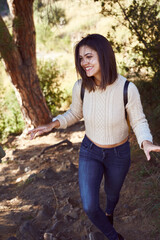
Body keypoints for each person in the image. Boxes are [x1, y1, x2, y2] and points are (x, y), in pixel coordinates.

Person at [28, 34, 160, 240]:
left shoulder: (127, 88)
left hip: (119, 153)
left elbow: (139, 121)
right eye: (80, 58)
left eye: (88, 56)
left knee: (112, 195)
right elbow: (74, 113)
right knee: (89, 205)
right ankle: (114, 236)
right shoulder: (81, 87)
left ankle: (109, 213)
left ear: (104, 55)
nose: (83, 63)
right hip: (90, 151)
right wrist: (51, 125)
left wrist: (146, 142)